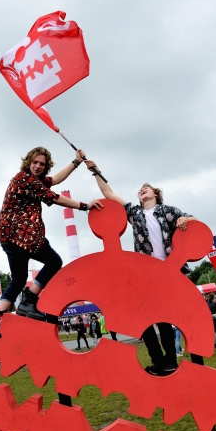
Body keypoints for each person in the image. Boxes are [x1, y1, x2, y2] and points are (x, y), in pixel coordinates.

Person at [88, 161, 196, 376]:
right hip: (145, 274)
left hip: (167, 271)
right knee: (143, 319)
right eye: (140, 190)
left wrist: (185, 219)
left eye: (146, 188)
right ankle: (158, 360)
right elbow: (108, 192)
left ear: (155, 194)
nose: (142, 190)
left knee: (164, 320)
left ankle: (170, 361)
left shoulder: (168, 211)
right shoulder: (135, 213)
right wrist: (95, 172)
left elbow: (193, 220)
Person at [0, 147, 103, 338]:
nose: (38, 166)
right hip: (22, 235)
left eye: (42, 164)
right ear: (28, 162)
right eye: (35, 162)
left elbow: (55, 180)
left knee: (17, 279)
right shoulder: (24, 179)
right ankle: (29, 300)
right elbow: (54, 197)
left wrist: (76, 162)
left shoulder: (34, 180)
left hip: (10, 237)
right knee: (54, 261)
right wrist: (85, 206)